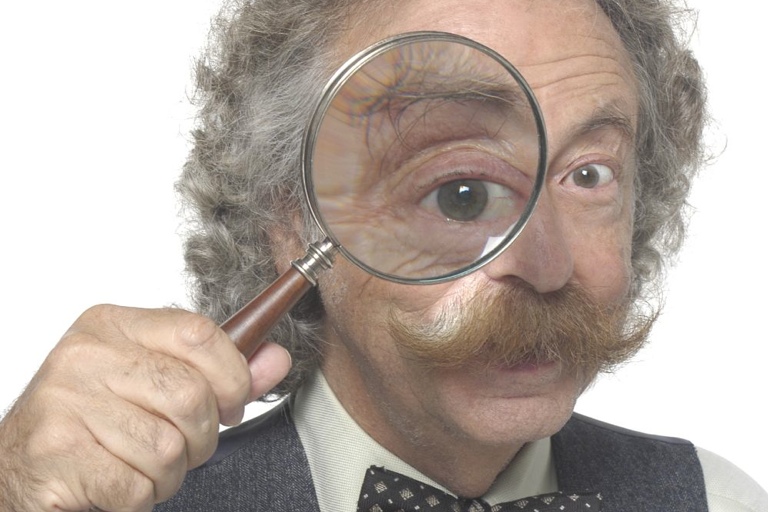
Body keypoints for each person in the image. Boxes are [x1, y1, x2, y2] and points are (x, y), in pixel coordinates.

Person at [1, 0, 766, 511]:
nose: (546, 265)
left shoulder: (719, 501)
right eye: (460, 193)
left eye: (588, 176)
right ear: (293, 222)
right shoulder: (111, 507)